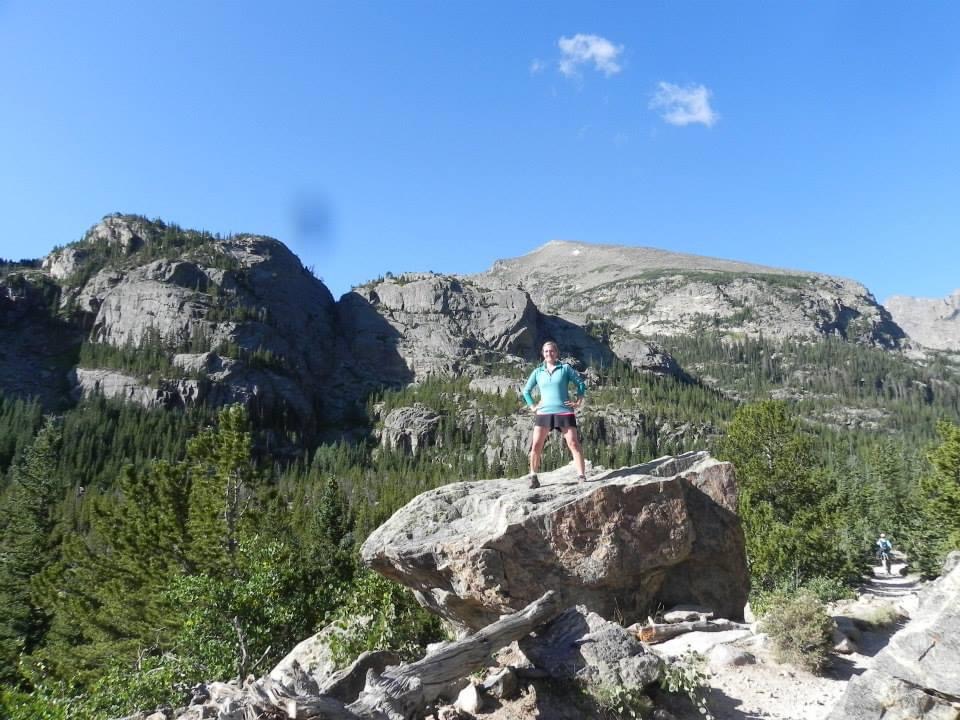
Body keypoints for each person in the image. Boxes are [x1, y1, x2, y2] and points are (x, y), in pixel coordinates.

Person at [521, 340, 588, 488]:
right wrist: (533, 406)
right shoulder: (537, 372)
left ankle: (581, 476)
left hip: (564, 412)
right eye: (546, 351)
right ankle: (533, 476)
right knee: (536, 445)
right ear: (542, 354)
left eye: (552, 351)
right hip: (544, 413)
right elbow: (526, 391)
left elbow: (581, 384)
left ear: (556, 353)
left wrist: (578, 401)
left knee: (573, 443)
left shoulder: (565, 369)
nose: (549, 354)